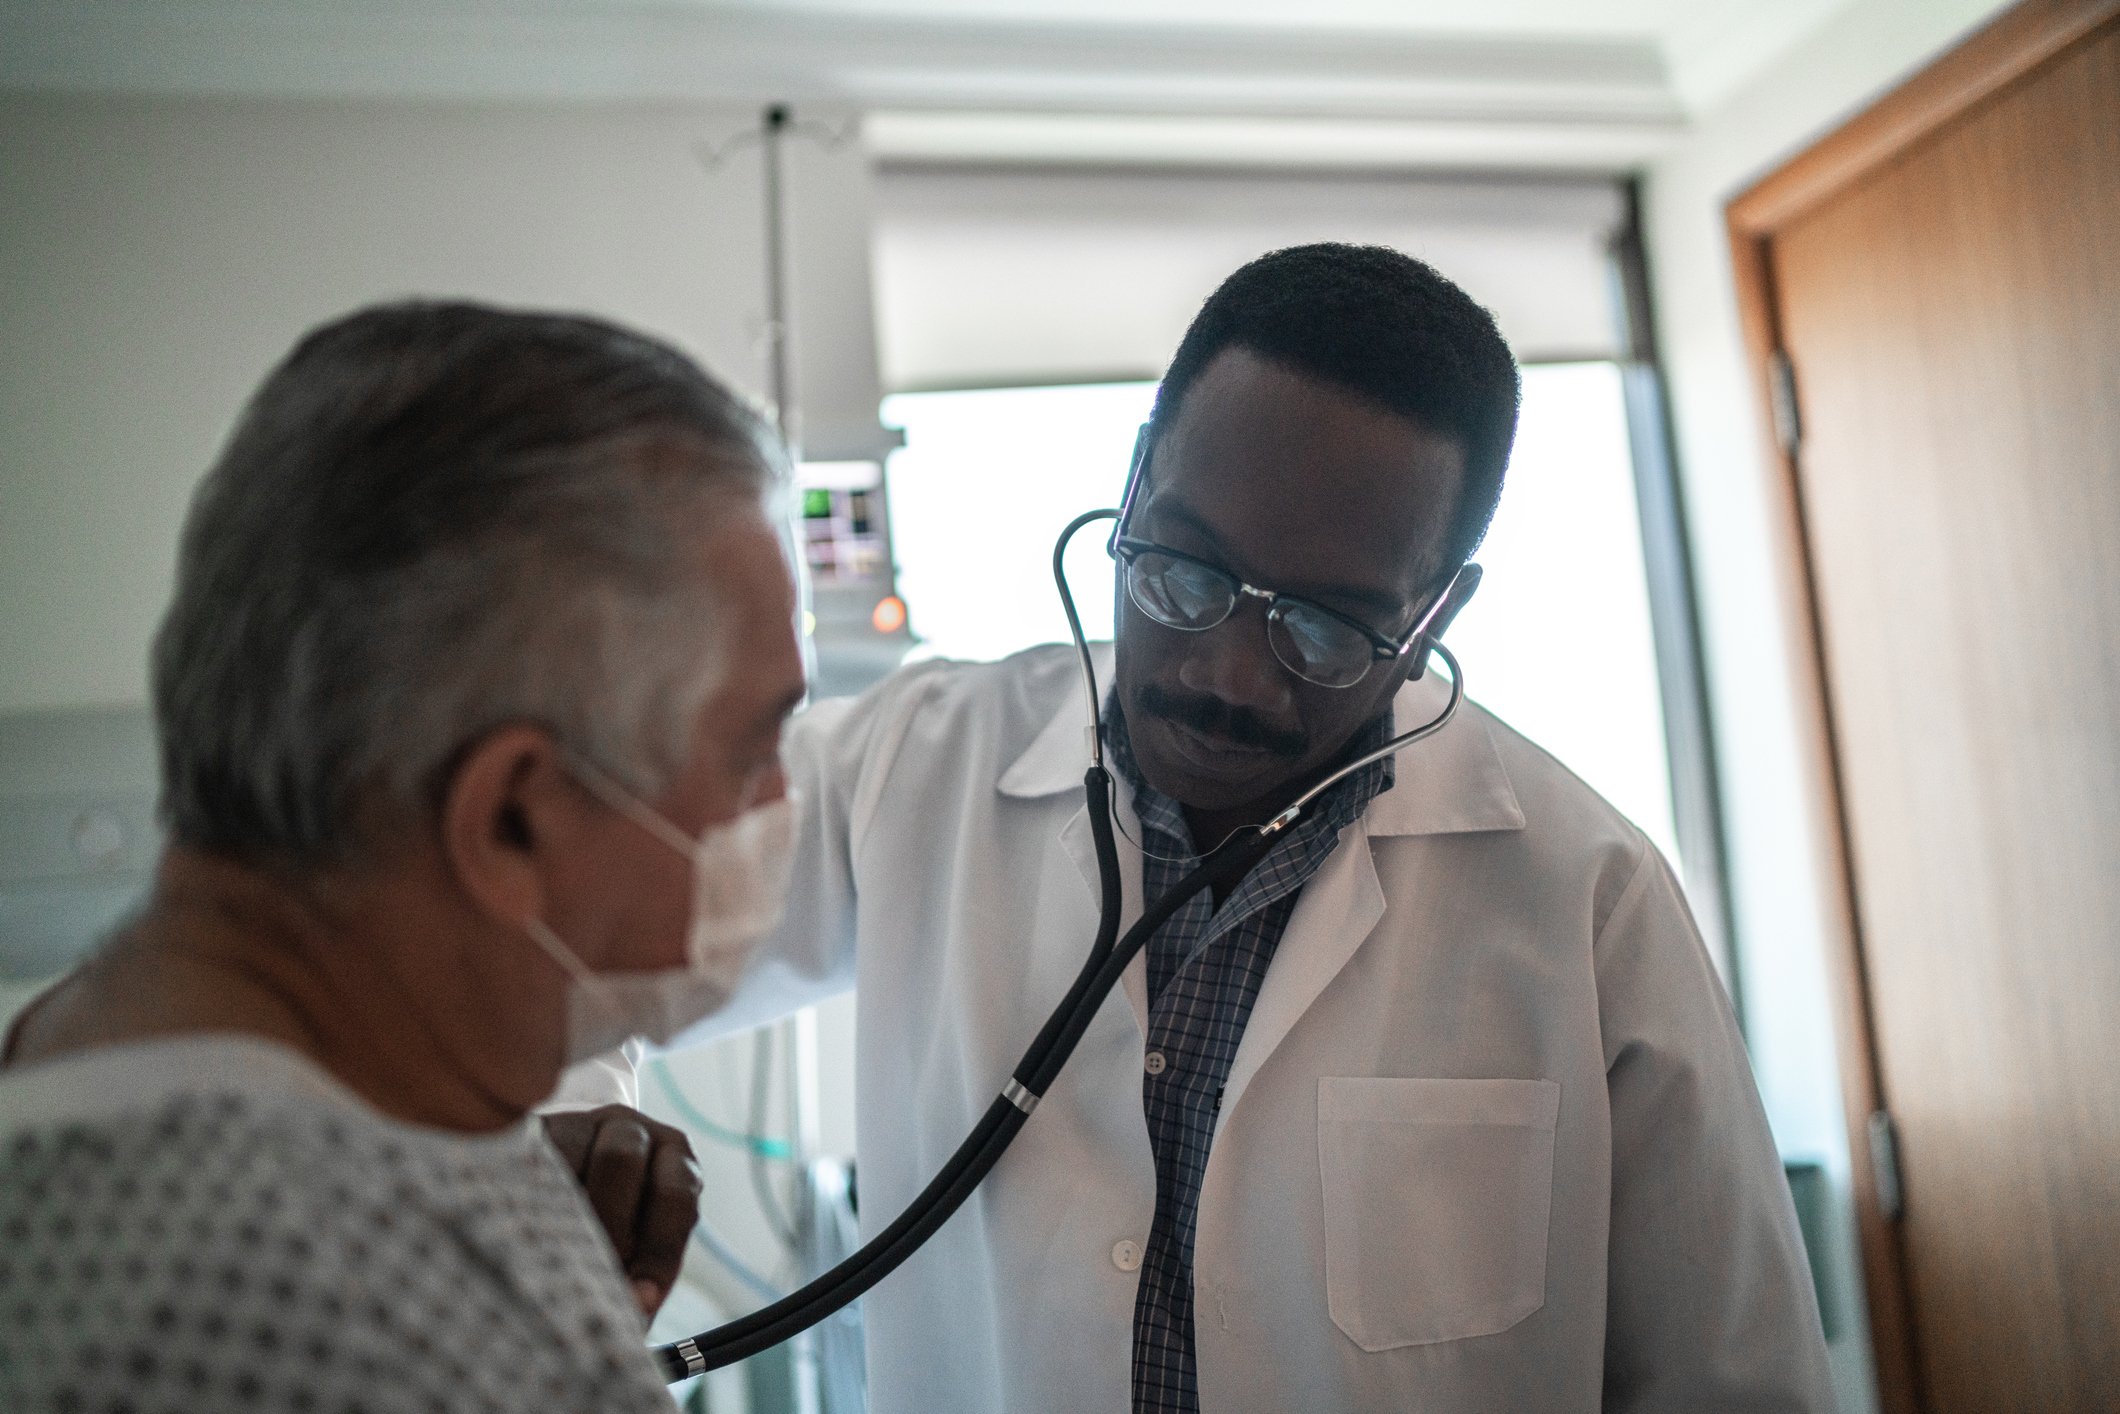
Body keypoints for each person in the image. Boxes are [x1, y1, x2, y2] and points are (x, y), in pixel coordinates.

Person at [631, 243, 1837, 1411]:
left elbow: (1730, 1380)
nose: (1229, 677)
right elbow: (547, 925)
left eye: (1322, 627)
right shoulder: (914, 766)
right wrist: (582, 1122)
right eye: (1186, 572)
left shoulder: (1587, 895)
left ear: (1432, 616)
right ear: (1142, 473)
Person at [0, 302, 807, 1410]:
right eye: (755, 748)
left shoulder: (106, 1060)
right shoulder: (293, 1325)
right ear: (511, 820)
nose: (781, 802)